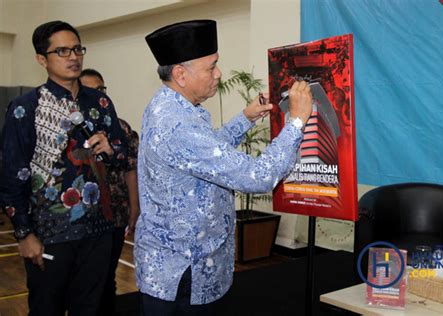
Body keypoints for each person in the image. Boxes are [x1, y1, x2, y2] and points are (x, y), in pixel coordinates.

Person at [135, 19, 313, 315]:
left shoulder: (173, 106)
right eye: (211, 66)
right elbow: (258, 176)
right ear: (180, 74)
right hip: (183, 275)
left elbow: (203, 156)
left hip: (189, 266)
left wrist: (246, 117)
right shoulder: (176, 124)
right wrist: (297, 122)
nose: (218, 74)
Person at [0, 21, 127, 315]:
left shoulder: (100, 102)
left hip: (99, 231)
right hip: (49, 234)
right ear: (42, 59)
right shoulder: (25, 107)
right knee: (47, 308)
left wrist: (111, 149)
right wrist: (23, 234)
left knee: (92, 308)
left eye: (77, 49)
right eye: (62, 51)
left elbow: (122, 156)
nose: (73, 56)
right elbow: (11, 178)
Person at [79, 68, 140, 315]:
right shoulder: (71, 130)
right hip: (80, 220)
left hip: (115, 215)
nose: (97, 94)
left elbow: (131, 169)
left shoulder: (121, 129)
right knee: (82, 282)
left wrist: (135, 208)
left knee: (106, 279)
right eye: (90, 89)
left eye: (101, 89)